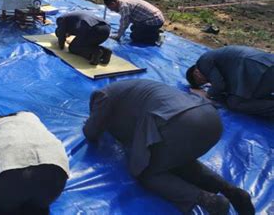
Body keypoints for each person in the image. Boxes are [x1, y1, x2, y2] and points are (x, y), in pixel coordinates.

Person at [83, 79, 254, 215]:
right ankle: (229, 190)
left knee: (146, 172)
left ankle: (209, 201)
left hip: (178, 122)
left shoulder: (102, 95)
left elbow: (91, 132)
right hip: (210, 117)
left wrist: (92, 123)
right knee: (179, 162)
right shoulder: (133, 88)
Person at [0, 111, 69, 215]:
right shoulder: (31, 117)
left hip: (7, 181)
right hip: (55, 175)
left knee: (9, 207)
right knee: (36, 205)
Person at [186, 45, 274, 118]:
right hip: (262, 66)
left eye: (201, 81)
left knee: (235, 103)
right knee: (236, 99)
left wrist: (206, 95)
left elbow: (219, 85)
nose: (206, 81)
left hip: (259, 69)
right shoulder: (210, 60)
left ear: (196, 72)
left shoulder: (203, 62)